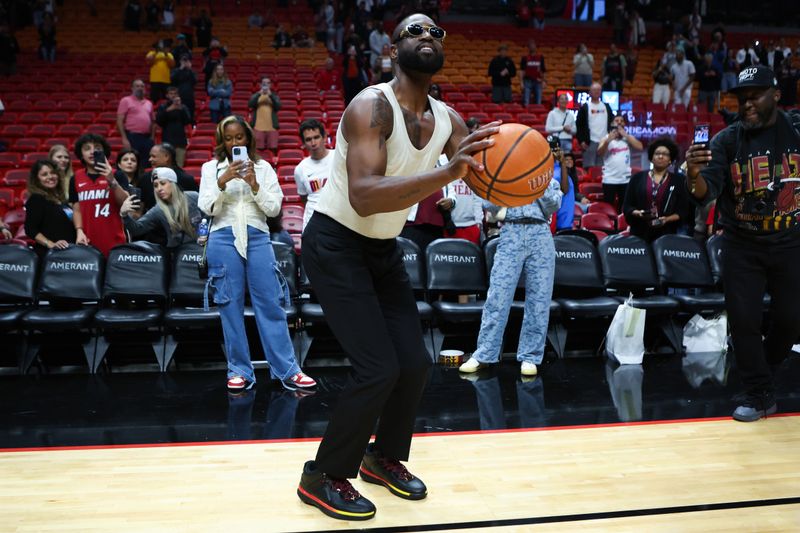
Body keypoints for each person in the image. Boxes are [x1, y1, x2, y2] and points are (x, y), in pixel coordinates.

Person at [297, 13, 498, 520]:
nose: (427, 36)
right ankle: (322, 476)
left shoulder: (449, 120)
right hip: (335, 242)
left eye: (435, 31)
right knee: (377, 367)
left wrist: (521, 170)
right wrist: (445, 172)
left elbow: (478, 176)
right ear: (393, 50)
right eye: (414, 31)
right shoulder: (371, 106)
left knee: (414, 363)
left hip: (384, 247)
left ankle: (381, 457)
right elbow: (364, 196)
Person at [685, 65, 800, 422]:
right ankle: (758, 393)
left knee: (791, 318)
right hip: (742, 243)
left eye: (756, 96)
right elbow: (706, 193)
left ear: (776, 95)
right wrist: (692, 175)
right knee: (744, 320)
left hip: (791, 241)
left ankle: (764, 369)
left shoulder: (795, 132)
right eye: (742, 98)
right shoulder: (727, 141)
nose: (747, 104)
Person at [198, 115, 317, 393]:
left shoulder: (263, 168)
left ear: (248, 138)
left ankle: (288, 369)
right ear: (221, 141)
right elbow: (206, 207)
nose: (234, 143)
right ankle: (238, 370)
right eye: (228, 138)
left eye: (239, 137)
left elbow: (274, 209)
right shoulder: (210, 168)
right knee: (230, 306)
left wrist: (254, 184)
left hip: (258, 238)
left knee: (271, 303)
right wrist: (222, 182)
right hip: (222, 238)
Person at [458, 147, 565, 376]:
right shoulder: (505, 176)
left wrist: (535, 183)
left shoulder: (546, 179)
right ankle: (484, 353)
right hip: (512, 231)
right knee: (498, 294)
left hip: (540, 233)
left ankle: (530, 356)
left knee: (539, 297)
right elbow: (489, 204)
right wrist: (509, 186)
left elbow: (554, 205)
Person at [69, 134, 129, 257]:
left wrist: (112, 181)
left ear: (104, 151)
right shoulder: (75, 178)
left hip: (114, 240)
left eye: (97, 148)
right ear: (81, 154)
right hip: (87, 240)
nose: (92, 152)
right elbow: (77, 209)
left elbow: (125, 203)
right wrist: (79, 231)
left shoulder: (117, 175)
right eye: (87, 148)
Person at [622, 137, 690, 241]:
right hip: (639, 233)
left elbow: (683, 211)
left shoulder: (679, 181)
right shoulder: (637, 178)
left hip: (667, 234)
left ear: (670, 159)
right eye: (657, 153)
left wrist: (666, 220)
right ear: (651, 157)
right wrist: (639, 213)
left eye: (665, 154)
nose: (661, 156)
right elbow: (627, 206)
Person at [120, 166, 200, 249]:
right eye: (155, 185)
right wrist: (124, 215)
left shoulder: (194, 197)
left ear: (173, 183)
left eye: (163, 183)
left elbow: (209, 219)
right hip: (176, 254)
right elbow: (137, 229)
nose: (159, 189)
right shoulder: (158, 210)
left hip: (201, 249)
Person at [24, 160, 76, 257]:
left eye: (53, 173)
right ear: (36, 179)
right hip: (50, 256)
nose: (50, 177)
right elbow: (30, 229)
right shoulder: (36, 199)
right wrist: (51, 244)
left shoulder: (61, 199)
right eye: (44, 174)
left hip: (67, 253)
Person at [598, 114, 643, 210]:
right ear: (612, 123)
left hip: (625, 180)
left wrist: (626, 135)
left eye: (621, 120)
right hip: (609, 179)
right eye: (616, 120)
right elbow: (599, 153)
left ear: (624, 124)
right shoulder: (605, 138)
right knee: (609, 208)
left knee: (624, 207)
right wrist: (608, 141)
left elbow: (640, 147)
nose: (619, 122)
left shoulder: (628, 138)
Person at [294, 119, 333, 230]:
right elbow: (304, 198)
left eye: (316, 137)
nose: (313, 143)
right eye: (308, 139)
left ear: (324, 137)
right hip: (313, 223)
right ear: (303, 143)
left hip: (338, 220)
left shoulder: (338, 158)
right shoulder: (300, 169)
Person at [576, 82, 614, 168]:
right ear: (590, 92)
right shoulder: (585, 107)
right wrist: (581, 141)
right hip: (590, 142)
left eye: (598, 90)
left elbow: (612, 122)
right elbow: (579, 126)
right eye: (594, 90)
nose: (596, 92)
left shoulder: (606, 107)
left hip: (604, 142)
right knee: (589, 168)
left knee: (602, 168)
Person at [116, 79, 155, 159]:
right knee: (134, 161)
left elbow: (153, 122)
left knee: (146, 163)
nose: (140, 88)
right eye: (137, 86)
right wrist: (124, 139)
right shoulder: (125, 100)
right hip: (132, 137)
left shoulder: (149, 103)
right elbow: (119, 121)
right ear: (132, 88)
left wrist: (152, 138)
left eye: (142, 86)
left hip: (147, 138)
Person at [156, 86, 191, 166]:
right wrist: (169, 110)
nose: (173, 95)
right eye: (171, 94)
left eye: (175, 94)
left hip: (180, 141)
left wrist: (181, 109)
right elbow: (159, 121)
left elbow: (188, 121)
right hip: (167, 140)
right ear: (167, 95)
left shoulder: (183, 107)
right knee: (167, 165)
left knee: (179, 165)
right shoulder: (163, 107)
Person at [247, 77, 281, 153]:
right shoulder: (256, 95)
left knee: (272, 149)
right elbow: (250, 104)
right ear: (260, 85)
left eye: (268, 83)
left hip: (272, 127)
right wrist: (259, 94)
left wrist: (271, 95)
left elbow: (278, 106)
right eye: (264, 83)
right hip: (258, 127)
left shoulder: (274, 96)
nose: (266, 85)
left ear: (270, 85)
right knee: (259, 150)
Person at [171, 54, 197, 123]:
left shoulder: (191, 72)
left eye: (186, 60)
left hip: (189, 97)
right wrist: (180, 69)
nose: (185, 62)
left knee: (190, 115)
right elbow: (172, 79)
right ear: (180, 61)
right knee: (179, 115)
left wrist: (190, 69)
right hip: (179, 97)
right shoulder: (176, 70)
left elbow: (195, 81)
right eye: (183, 60)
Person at [520, 40, 546, 106]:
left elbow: (543, 71)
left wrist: (544, 81)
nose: (532, 47)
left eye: (533, 45)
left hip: (538, 81)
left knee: (538, 101)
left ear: (535, 47)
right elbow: (522, 71)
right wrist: (521, 82)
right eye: (530, 46)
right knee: (526, 101)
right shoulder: (525, 58)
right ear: (528, 48)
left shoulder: (540, 58)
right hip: (527, 81)